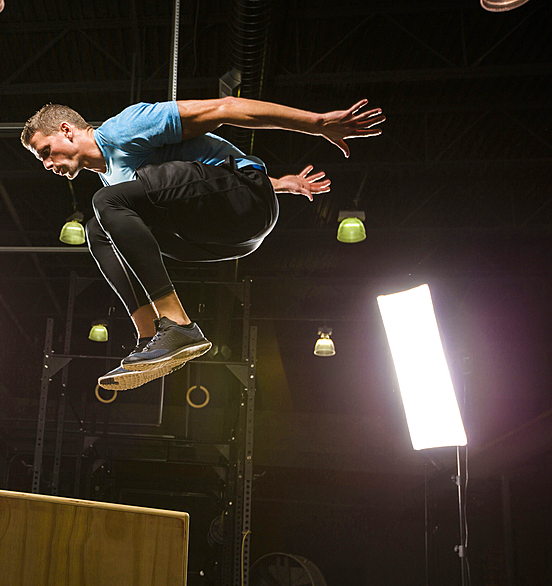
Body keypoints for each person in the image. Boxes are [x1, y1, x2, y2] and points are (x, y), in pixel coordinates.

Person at [21, 96, 384, 390]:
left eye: (45, 151)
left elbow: (224, 108)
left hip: (244, 200)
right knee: (98, 229)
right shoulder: (114, 185)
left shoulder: (124, 128)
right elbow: (191, 185)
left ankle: (177, 324)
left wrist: (316, 124)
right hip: (224, 234)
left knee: (106, 204)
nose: (46, 163)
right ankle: (150, 336)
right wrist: (283, 184)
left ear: (67, 131)